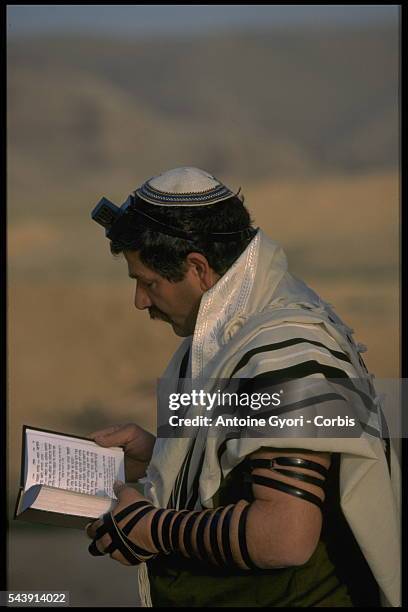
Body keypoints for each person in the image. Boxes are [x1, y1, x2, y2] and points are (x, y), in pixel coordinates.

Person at [86, 167, 400, 607]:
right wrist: (158, 455)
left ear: (197, 268)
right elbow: (245, 464)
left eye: (148, 282)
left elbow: (284, 537)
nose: (140, 300)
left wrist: (151, 528)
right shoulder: (227, 334)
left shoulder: (289, 353)